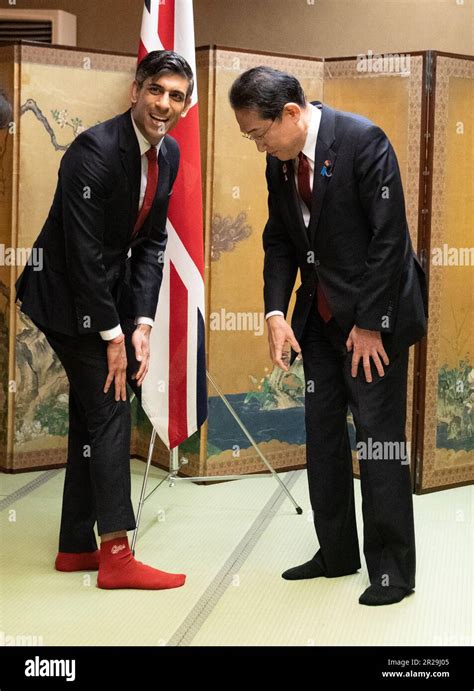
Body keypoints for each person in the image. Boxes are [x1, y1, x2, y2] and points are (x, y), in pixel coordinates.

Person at [229, 66, 428, 606]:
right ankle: (335, 551)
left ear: (290, 114)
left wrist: (368, 324)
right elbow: (279, 240)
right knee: (322, 438)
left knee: (379, 442)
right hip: (316, 321)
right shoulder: (282, 162)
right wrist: (275, 312)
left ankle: (391, 570)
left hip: (374, 321)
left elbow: (390, 240)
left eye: (258, 133)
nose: (258, 145)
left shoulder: (364, 142)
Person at [15, 50, 193, 590]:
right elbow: (83, 252)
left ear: (186, 105)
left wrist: (140, 321)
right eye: (157, 90)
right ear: (135, 90)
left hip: (109, 300)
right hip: (65, 297)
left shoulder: (172, 153)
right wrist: (113, 336)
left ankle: (74, 545)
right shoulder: (94, 149)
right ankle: (116, 554)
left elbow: (153, 242)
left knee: (91, 418)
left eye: (177, 96)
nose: (165, 104)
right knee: (113, 404)